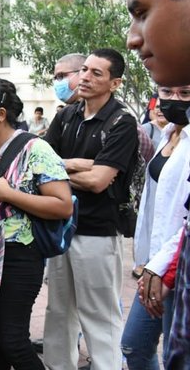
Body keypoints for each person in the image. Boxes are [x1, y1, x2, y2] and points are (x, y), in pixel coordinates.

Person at [42, 48, 138, 370]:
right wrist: (73, 164)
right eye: (84, 70)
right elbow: (38, 165)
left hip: (98, 231)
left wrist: (59, 170)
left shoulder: (122, 122)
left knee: (99, 315)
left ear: (115, 83)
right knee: (58, 312)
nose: (84, 77)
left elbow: (99, 181)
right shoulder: (66, 115)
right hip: (61, 227)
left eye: (96, 73)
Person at [0, 80, 72, 370]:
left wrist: (8, 194)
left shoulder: (35, 148)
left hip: (19, 257)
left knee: (14, 341)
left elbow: (62, 205)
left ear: (0, 114)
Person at [122, 0, 190, 366]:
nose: (133, 37)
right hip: (158, 266)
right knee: (135, 346)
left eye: (142, 12)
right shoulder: (167, 139)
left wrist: (162, 264)